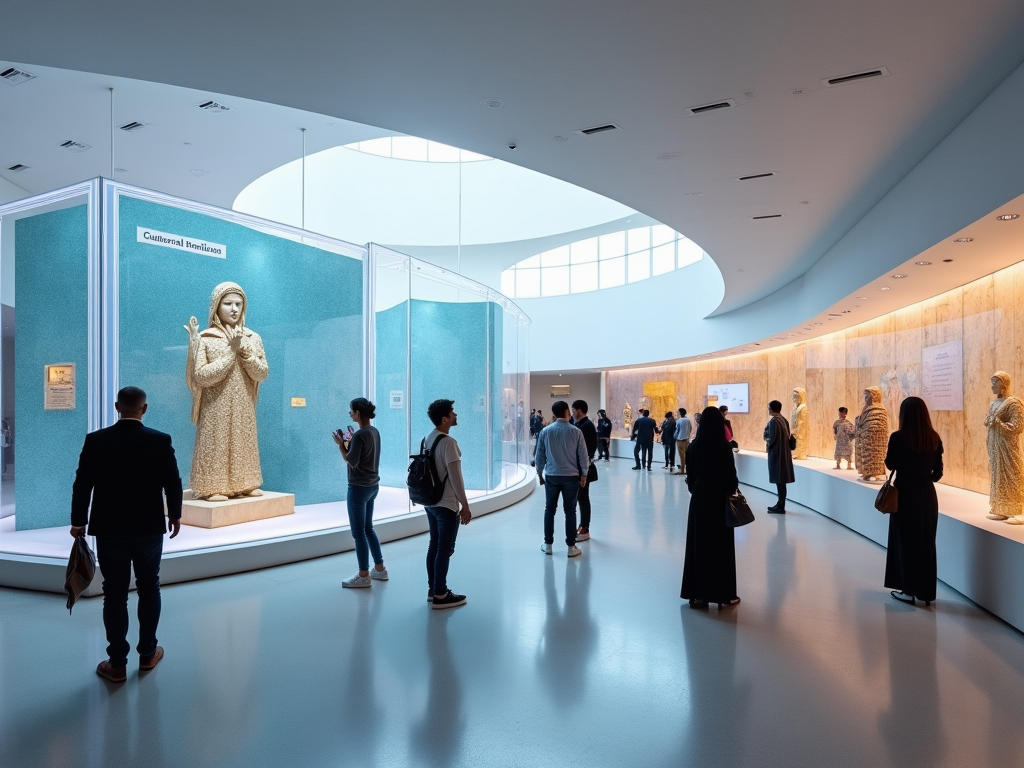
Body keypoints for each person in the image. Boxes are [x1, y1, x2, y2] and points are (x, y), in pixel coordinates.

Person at [70, 386, 183, 683]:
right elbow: (172, 481)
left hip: (109, 527)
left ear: (117, 406)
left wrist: (78, 521)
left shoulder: (96, 441)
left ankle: (117, 663)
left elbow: (82, 484)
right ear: (144, 409)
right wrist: (175, 514)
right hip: (148, 526)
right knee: (149, 587)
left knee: (115, 593)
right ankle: (147, 654)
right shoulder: (160, 440)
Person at [884, 397, 944, 606]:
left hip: (905, 494)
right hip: (927, 495)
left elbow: (891, 463)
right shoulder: (934, 438)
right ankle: (926, 593)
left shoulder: (898, 437)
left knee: (905, 542)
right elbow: (937, 474)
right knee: (926, 543)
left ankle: (907, 590)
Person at [680, 407, 740, 609]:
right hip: (719, 502)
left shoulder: (693, 447)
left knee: (698, 546)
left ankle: (697, 594)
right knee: (720, 549)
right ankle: (723, 594)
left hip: (699, 501)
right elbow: (732, 481)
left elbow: (691, 479)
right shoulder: (724, 448)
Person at [421, 399, 473, 609]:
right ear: (445, 418)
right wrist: (465, 505)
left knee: (434, 545)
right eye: (452, 412)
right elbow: (456, 478)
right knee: (445, 548)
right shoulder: (449, 443)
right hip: (447, 504)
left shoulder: (428, 438)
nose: (455, 415)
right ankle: (441, 594)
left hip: (431, 501)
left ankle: (433, 589)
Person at [334, 397, 386, 588]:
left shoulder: (359, 435)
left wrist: (341, 445)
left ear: (358, 413)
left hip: (358, 488)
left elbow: (352, 461)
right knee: (368, 528)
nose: (350, 414)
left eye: (352, 411)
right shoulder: (374, 431)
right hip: (373, 486)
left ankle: (364, 574)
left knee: (358, 533)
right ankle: (379, 568)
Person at [535, 400, 589, 557]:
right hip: (571, 477)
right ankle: (571, 547)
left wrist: (539, 473)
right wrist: (584, 474)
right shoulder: (576, 432)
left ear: (553, 414)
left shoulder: (546, 431)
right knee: (570, 510)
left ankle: (548, 544)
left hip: (552, 475)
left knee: (550, 509)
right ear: (567, 412)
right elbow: (583, 456)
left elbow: (540, 455)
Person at [571, 400, 598, 542]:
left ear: (579, 410)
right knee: (581, 498)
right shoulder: (581, 425)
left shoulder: (585, 426)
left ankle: (585, 529)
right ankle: (583, 526)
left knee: (583, 498)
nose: (572, 413)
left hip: (583, 469)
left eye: (573, 410)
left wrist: (583, 472)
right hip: (581, 468)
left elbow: (585, 451)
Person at [764, 400, 794, 513]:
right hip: (784, 454)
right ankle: (780, 503)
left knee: (779, 480)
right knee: (782, 481)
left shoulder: (774, 421)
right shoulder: (783, 420)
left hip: (777, 455)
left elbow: (771, 439)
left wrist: (767, 442)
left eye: (768, 407)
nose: (768, 409)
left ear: (772, 408)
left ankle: (780, 505)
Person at [674, 408, 693, 475]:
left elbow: (677, 430)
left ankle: (682, 470)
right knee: (686, 454)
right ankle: (687, 468)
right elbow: (690, 428)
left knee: (682, 455)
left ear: (680, 413)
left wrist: (675, 436)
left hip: (680, 439)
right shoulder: (688, 420)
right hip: (687, 439)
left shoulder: (679, 421)